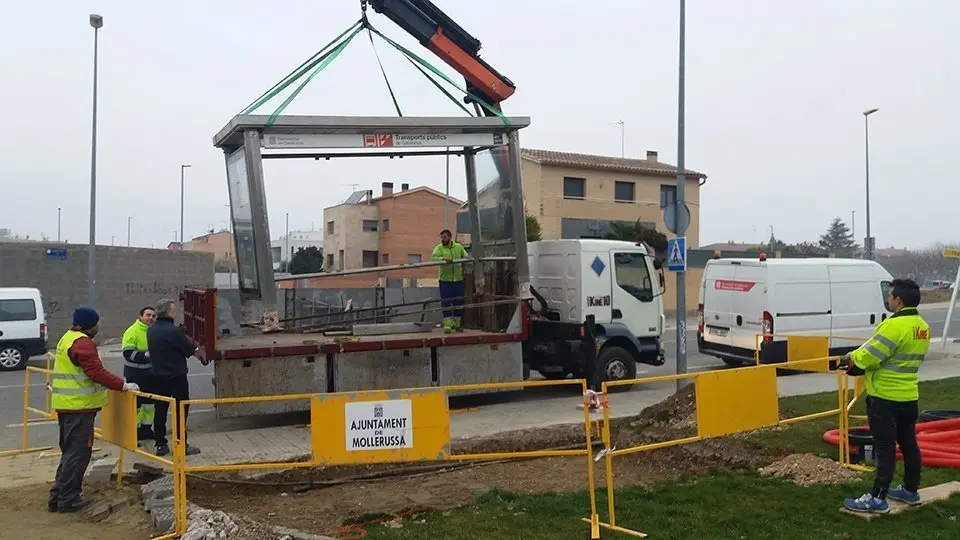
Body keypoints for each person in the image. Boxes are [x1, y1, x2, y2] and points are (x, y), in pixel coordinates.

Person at [840, 278, 929, 514]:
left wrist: (850, 359)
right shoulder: (922, 326)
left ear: (898, 300)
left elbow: (870, 355)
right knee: (909, 444)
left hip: (884, 398)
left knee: (884, 448)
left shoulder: (893, 326)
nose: (888, 299)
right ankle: (910, 490)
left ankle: (877, 498)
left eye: (890, 296)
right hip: (909, 396)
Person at [48, 307, 139, 512]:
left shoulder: (68, 338)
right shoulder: (83, 343)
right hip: (78, 407)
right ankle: (68, 499)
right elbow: (95, 372)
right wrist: (122, 385)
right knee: (78, 453)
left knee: (70, 452)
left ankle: (58, 496)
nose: (99, 327)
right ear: (90, 325)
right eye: (97, 323)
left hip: (68, 406)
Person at [148, 298, 205, 457]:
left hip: (157, 375)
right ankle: (181, 444)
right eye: (174, 310)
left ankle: (160, 444)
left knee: (160, 410)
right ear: (168, 312)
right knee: (180, 410)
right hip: (176, 376)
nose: (176, 312)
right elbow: (188, 350)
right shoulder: (174, 331)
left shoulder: (151, 329)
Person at [122, 306, 156, 442]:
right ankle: (133, 433)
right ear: (141, 316)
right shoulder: (132, 331)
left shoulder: (152, 331)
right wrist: (146, 355)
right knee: (135, 406)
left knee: (149, 404)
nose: (150, 318)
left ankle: (146, 430)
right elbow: (127, 353)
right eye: (148, 315)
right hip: (135, 374)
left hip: (150, 373)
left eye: (153, 316)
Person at [431, 229, 468, 333]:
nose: (443, 239)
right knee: (446, 302)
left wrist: (465, 260)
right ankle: (448, 326)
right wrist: (443, 259)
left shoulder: (458, 247)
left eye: (445, 237)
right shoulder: (439, 248)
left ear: (450, 237)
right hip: (445, 280)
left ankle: (457, 325)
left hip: (458, 279)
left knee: (458, 302)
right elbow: (433, 259)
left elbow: (465, 256)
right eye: (441, 237)